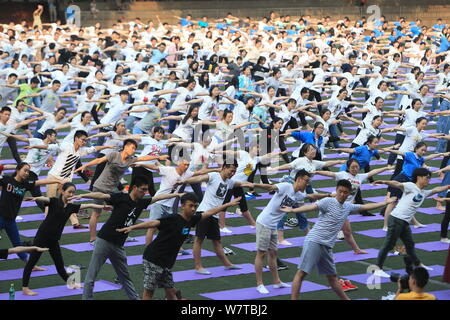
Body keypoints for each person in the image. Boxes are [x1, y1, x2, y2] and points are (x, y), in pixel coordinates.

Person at [281, 179, 396, 300]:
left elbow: (366, 206)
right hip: (315, 241)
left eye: (345, 192)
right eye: (340, 191)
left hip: (327, 246)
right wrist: (293, 210)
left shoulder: (348, 207)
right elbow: (311, 207)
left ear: (349, 193)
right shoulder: (328, 201)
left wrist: (385, 202)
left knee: (332, 277)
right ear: (336, 190)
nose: (342, 194)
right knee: (302, 273)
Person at [116, 193, 242, 300]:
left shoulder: (192, 219)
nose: (193, 209)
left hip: (166, 262)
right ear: (182, 206)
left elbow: (209, 212)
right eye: (190, 206)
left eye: (195, 206)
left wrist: (227, 205)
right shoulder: (173, 219)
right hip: (153, 259)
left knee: (170, 290)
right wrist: (132, 227)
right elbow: (153, 222)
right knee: (149, 292)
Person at [76, 177, 185, 300]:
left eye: (146, 190)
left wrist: (177, 194)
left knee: (125, 277)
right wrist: (82, 196)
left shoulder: (141, 203)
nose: (144, 193)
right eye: (143, 190)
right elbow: (102, 195)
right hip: (104, 241)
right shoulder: (121, 198)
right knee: (91, 276)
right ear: (134, 188)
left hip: (118, 246)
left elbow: (158, 198)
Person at [250, 169, 332, 294]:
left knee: (273, 254)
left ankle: (277, 282)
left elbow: (312, 196)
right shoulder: (286, 186)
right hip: (264, 223)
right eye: (306, 181)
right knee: (261, 254)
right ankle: (259, 284)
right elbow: (270, 187)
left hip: (273, 225)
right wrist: (254, 185)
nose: (307, 184)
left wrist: (328, 195)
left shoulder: (297, 194)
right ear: (298, 179)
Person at [21, 183, 110, 296]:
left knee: (59, 264)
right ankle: (25, 288)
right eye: (69, 192)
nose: (71, 194)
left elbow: (87, 205)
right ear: (62, 191)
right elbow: (45, 198)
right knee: (32, 262)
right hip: (42, 237)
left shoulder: (71, 207)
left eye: (73, 192)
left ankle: (71, 283)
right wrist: (35, 198)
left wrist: (102, 207)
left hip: (54, 240)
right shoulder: (53, 202)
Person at [74, 138, 168, 243]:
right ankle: (93, 239)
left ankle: (121, 233)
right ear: (126, 147)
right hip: (99, 187)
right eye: (132, 148)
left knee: (121, 211)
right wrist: (86, 165)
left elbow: (144, 158)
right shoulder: (114, 155)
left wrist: (159, 157)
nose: (134, 150)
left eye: (135, 148)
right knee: (96, 213)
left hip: (111, 190)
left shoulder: (130, 160)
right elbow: (99, 160)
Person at [174, 161, 252, 275]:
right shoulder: (214, 176)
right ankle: (198, 267)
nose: (233, 173)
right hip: (204, 212)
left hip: (214, 214)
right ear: (224, 167)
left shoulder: (229, 182)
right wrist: (183, 181)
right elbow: (199, 179)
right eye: (231, 171)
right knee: (199, 240)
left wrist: (249, 184)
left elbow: (239, 184)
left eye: (234, 171)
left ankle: (227, 264)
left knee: (217, 241)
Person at [373, 168, 450, 278]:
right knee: (389, 244)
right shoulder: (411, 186)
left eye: (429, 178)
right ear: (418, 177)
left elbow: (436, 189)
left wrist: (448, 186)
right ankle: (378, 268)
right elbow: (397, 184)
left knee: (410, 244)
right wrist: (384, 182)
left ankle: (418, 264)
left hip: (404, 222)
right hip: (396, 219)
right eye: (427, 178)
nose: (429, 180)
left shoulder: (423, 192)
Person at [0, 163, 63, 263]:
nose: (27, 173)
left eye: (28, 171)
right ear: (17, 170)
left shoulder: (25, 184)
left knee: (17, 244)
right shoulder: (7, 180)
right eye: (25, 170)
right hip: (1, 217)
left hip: (11, 220)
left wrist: (57, 180)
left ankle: (30, 265)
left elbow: (41, 182)